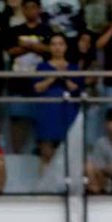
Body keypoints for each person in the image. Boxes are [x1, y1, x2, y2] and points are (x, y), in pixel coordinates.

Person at [5, 0, 52, 153]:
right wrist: (35, 46)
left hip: (42, 83)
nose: (30, 10)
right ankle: (17, 154)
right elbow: (11, 52)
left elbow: (51, 50)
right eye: (27, 7)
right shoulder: (14, 31)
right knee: (18, 119)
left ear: (39, 9)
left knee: (44, 120)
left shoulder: (48, 30)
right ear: (23, 9)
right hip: (18, 82)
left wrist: (27, 45)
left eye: (34, 7)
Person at [33, 33, 83, 172]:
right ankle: (44, 188)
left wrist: (64, 78)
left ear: (66, 47)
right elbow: (37, 87)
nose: (57, 47)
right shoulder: (42, 67)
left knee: (69, 151)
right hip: (47, 111)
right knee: (46, 151)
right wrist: (52, 78)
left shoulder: (73, 68)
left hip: (67, 111)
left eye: (60, 44)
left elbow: (77, 89)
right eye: (54, 44)